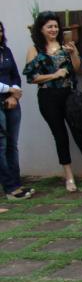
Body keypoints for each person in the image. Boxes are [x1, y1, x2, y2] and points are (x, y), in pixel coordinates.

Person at [23, 11, 82, 192]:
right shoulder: (35, 49)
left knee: (79, 132)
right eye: (49, 26)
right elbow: (31, 77)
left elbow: (78, 69)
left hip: (69, 95)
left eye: (55, 26)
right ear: (41, 29)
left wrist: (74, 53)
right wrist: (54, 75)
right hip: (48, 97)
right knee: (60, 136)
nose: (53, 29)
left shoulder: (65, 45)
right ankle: (69, 176)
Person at [0, 21, 32, 200]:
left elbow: (15, 76)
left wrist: (14, 95)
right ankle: (10, 188)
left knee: (12, 144)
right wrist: (9, 90)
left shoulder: (6, 51)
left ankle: (17, 183)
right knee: (1, 145)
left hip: (12, 101)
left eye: (0, 30)